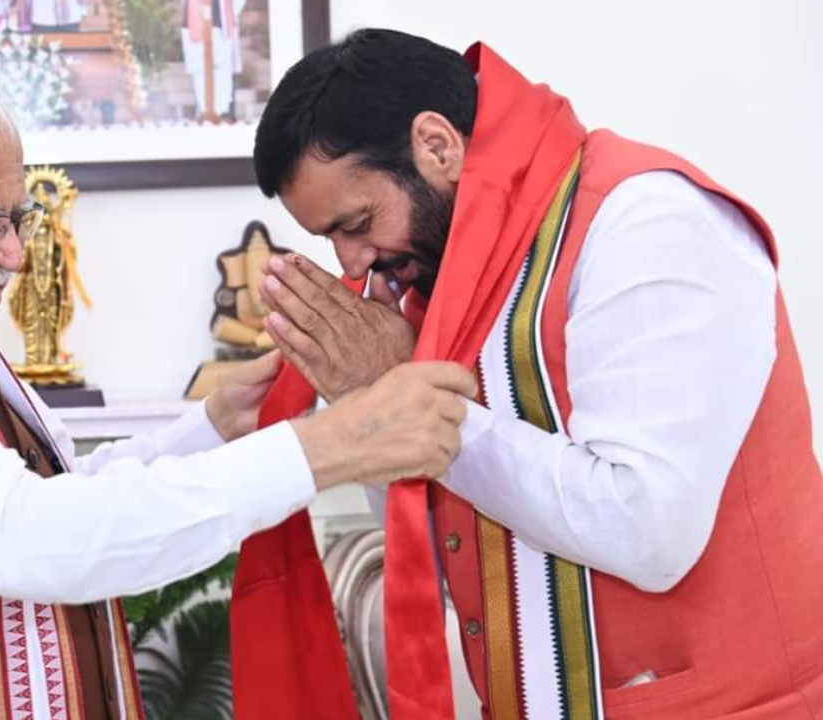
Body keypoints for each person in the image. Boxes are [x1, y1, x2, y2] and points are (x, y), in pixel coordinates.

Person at [0, 59, 475, 720]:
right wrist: (330, 447)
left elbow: (61, 493)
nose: (11, 254)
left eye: (16, 218)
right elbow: (32, 536)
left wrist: (218, 425)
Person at [243, 28, 823, 720]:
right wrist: (370, 410)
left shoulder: (645, 223)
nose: (354, 261)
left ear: (436, 145)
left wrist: (408, 389)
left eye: (359, 221)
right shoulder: (435, 275)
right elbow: (436, 532)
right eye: (331, 239)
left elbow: (648, 531)